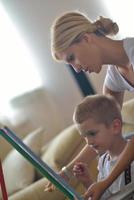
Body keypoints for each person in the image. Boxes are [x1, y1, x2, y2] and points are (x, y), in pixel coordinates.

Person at [45, 10, 134, 192]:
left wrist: (104, 183)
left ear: (86, 39)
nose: (76, 69)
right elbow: (104, 132)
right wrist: (67, 173)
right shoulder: (114, 77)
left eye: (72, 58)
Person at [72, 94, 134, 200]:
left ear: (115, 126)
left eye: (92, 133)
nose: (89, 142)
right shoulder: (103, 161)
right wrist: (88, 181)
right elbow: (104, 196)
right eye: (84, 137)